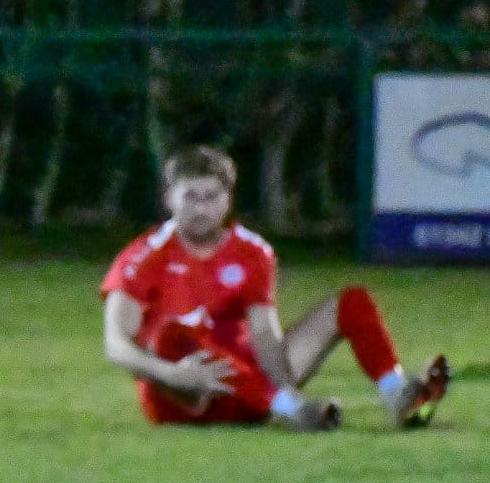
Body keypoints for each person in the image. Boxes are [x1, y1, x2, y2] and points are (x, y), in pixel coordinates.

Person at [101, 145, 448, 430]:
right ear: (169, 199)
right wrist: (172, 374)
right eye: (191, 197)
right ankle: (290, 409)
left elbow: (264, 334)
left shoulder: (252, 251)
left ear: (228, 199)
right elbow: (116, 344)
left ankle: (396, 393)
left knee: (352, 301)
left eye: (211, 197)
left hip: (252, 391)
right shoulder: (143, 257)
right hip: (183, 395)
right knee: (174, 335)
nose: (201, 209)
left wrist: (284, 387)